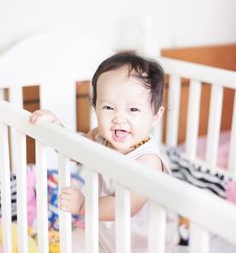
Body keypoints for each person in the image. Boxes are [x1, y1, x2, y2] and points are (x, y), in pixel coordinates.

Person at [30, 52, 176, 252]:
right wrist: (57, 130)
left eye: (133, 110)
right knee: (68, 245)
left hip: (144, 245)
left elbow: (126, 207)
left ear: (155, 115)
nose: (119, 118)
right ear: (95, 108)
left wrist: (82, 205)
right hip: (104, 236)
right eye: (108, 107)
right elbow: (75, 150)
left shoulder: (148, 160)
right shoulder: (100, 137)